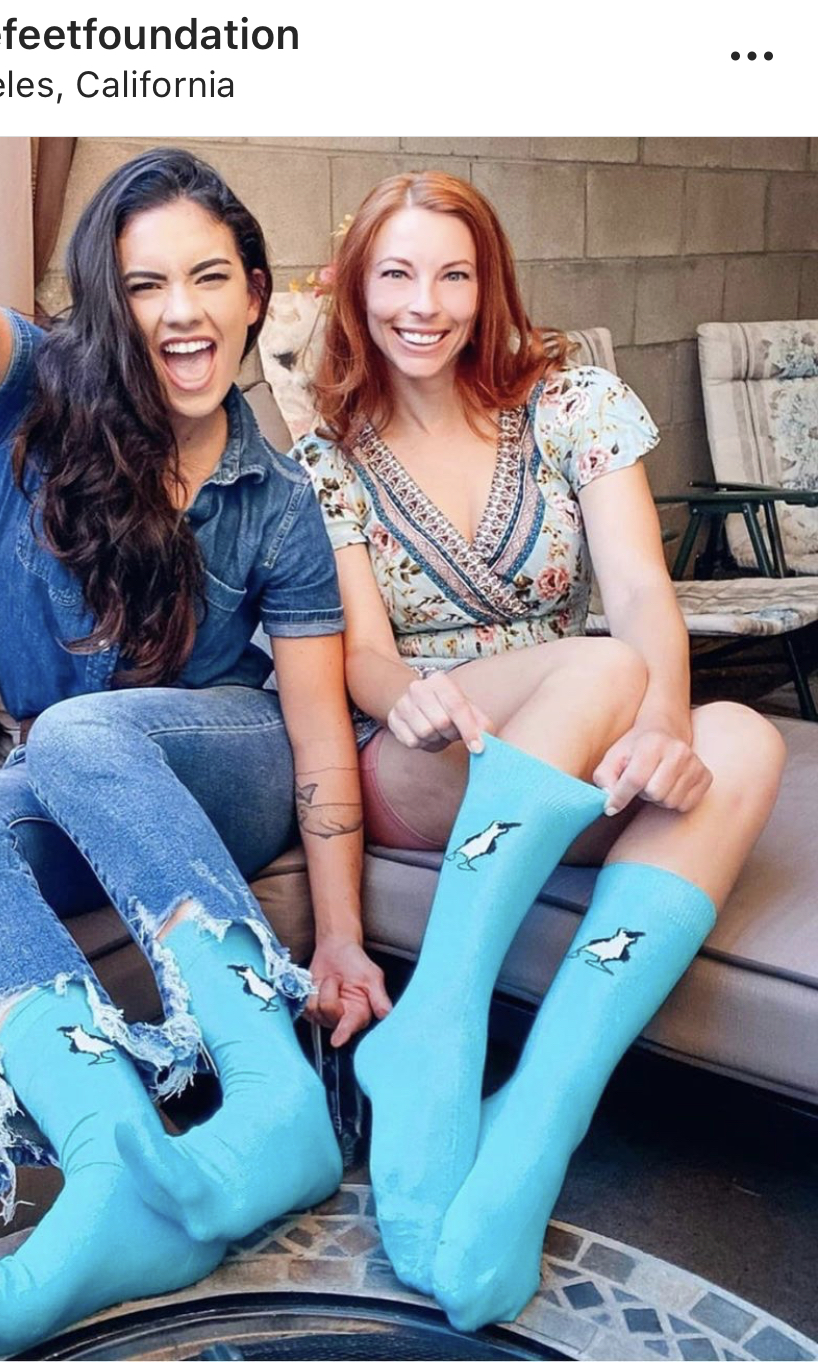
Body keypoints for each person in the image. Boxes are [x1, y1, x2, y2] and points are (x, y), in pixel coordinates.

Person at [0, 148, 390, 1355]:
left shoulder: (282, 501)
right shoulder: (40, 392)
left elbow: (315, 735)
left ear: (256, 293)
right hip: (79, 780)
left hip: (225, 762)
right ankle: (113, 1169)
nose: (180, 312)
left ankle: (276, 1103)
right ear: (107, 302)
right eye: (145, 286)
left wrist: (340, 934)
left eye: (209, 277)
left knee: (85, 734)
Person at [292, 170, 786, 1332]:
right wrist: (406, 693)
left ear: (488, 284)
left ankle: (536, 1118)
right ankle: (439, 1028)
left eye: (453, 274)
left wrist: (667, 727)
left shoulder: (576, 402)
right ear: (358, 291)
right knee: (606, 666)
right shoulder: (331, 451)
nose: (427, 302)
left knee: (742, 735)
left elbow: (641, 596)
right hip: (434, 754)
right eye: (398, 274)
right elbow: (359, 652)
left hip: (580, 748)